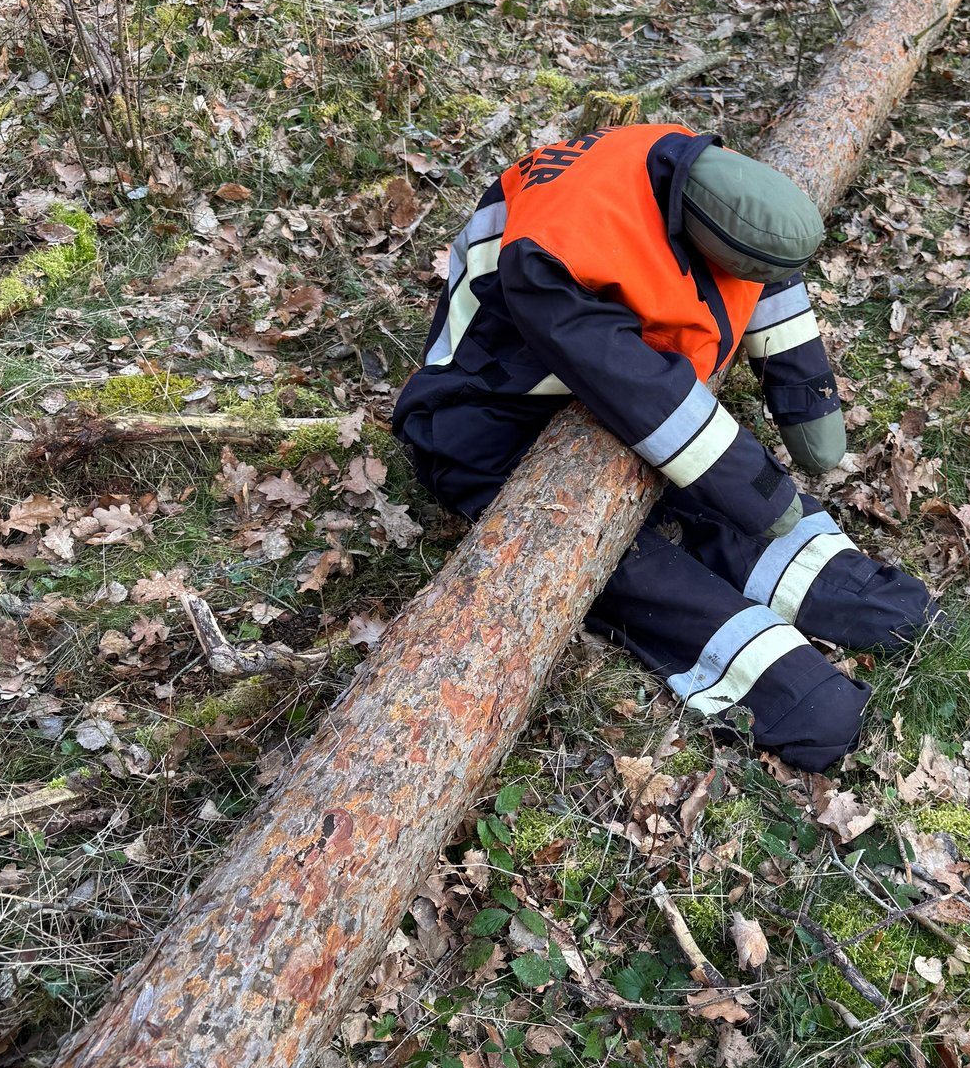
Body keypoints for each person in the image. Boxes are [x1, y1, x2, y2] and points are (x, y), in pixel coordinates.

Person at [393, 122, 935, 770]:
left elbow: (768, 278)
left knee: (720, 508)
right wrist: (762, 490)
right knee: (635, 567)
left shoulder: (712, 186)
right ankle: (798, 700)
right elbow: (650, 397)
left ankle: (872, 603)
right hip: (478, 425)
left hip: (587, 393)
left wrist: (808, 403)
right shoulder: (558, 254)